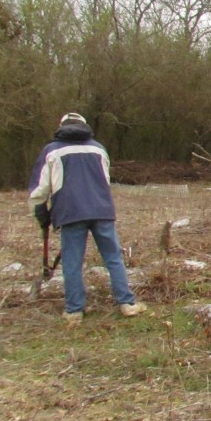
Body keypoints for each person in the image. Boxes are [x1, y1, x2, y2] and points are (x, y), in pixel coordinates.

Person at [28, 112, 147, 324]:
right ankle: (127, 303)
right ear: (85, 127)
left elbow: (41, 188)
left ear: (61, 126)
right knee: (113, 258)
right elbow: (105, 180)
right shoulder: (98, 148)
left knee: (72, 262)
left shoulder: (52, 151)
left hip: (70, 212)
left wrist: (41, 212)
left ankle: (74, 310)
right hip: (102, 209)